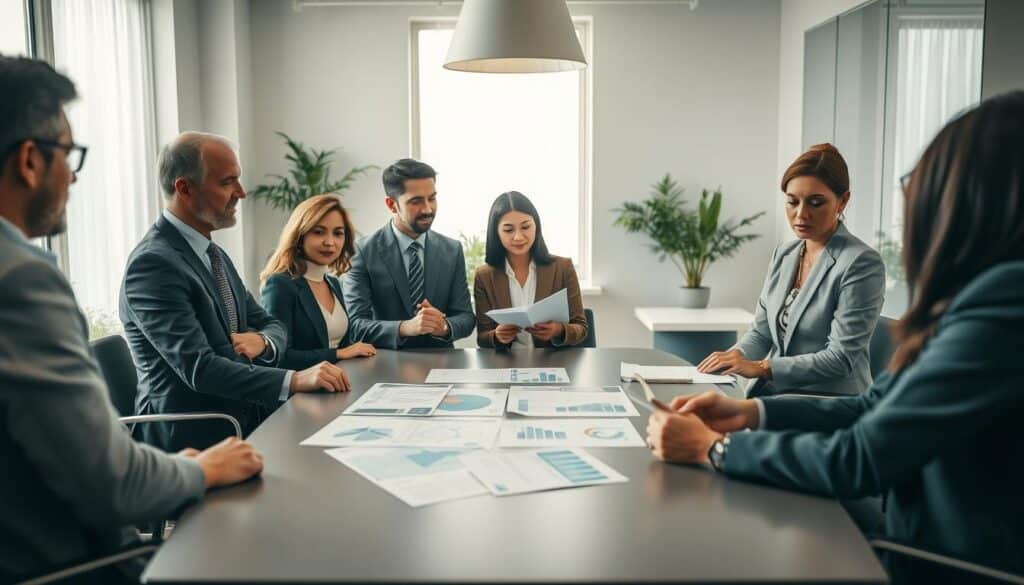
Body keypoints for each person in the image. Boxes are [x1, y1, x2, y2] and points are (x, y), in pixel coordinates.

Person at [646, 92, 1024, 583]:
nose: (914, 201)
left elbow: (859, 456)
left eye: (922, 184)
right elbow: (873, 407)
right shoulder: (975, 300)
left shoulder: (1002, 307)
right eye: (792, 201)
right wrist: (750, 411)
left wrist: (714, 448)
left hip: (928, 564)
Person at [0, 55, 262, 583]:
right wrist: (201, 468)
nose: (73, 177)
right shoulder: (21, 280)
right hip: (72, 564)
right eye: (69, 155)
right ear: (30, 160)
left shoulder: (212, 252)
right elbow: (113, 486)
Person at [120, 132, 351, 453]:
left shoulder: (213, 255)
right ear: (184, 188)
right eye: (228, 182)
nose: (241, 193)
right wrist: (294, 380)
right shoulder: (153, 265)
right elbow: (200, 369)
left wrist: (264, 341)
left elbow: (270, 323)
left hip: (242, 413)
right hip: (194, 434)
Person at [697, 143, 885, 396]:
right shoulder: (784, 254)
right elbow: (762, 332)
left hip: (830, 402)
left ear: (843, 201)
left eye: (815, 203)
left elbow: (840, 359)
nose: (801, 214)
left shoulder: (861, 262)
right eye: (792, 202)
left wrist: (762, 367)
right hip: (777, 394)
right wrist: (733, 357)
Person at [341, 158, 474, 349]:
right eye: (416, 201)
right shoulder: (362, 251)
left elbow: (466, 317)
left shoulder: (452, 250)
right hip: (384, 365)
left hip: (441, 365)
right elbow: (355, 326)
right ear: (391, 205)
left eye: (432, 198)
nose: (428, 209)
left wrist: (443, 326)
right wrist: (405, 328)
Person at [260, 194, 376, 369]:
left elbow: (343, 343)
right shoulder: (280, 285)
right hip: (301, 391)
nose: (330, 242)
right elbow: (281, 356)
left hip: (340, 381)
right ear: (299, 237)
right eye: (318, 232)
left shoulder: (333, 283)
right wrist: (339, 354)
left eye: (338, 233)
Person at [473, 191, 588, 348]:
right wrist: (497, 336)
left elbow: (581, 328)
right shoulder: (484, 276)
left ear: (536, 226)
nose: (518, 237)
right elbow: (482, 337)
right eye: (508, 230)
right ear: (496, 233)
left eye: (526, 227)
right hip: (506, 364)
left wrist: (558, 330)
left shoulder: (563, 268)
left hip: (551, 363)